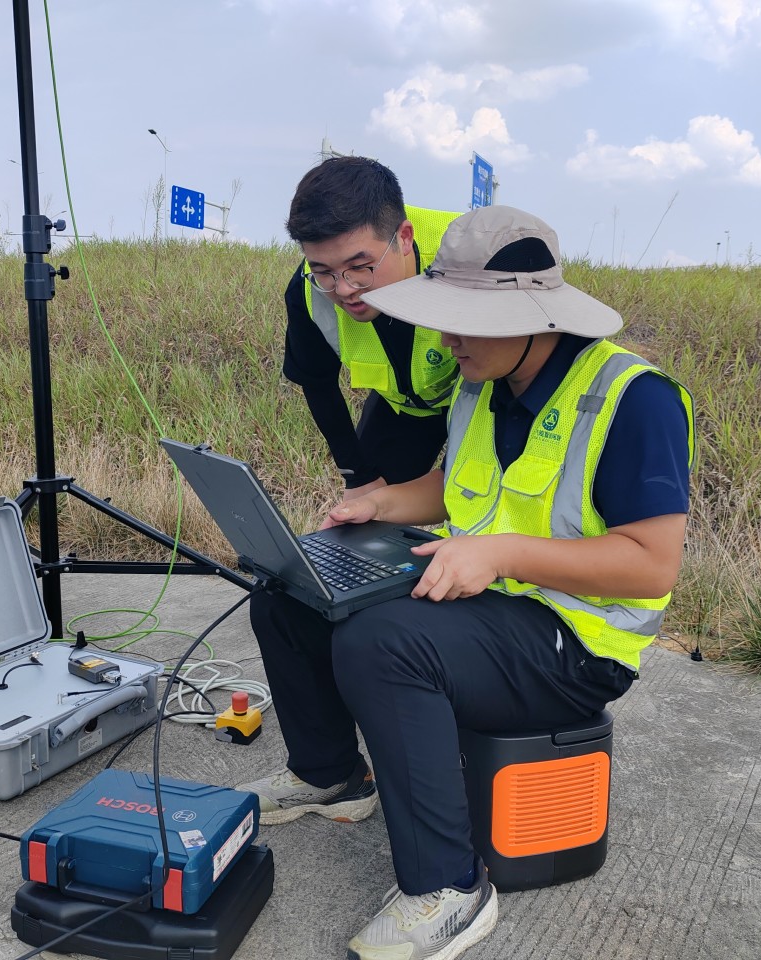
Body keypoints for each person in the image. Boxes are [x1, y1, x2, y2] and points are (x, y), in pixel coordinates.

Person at [240, 205, 694, 960]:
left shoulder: (632, 398)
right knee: (291, 590)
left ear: (532, 314)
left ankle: (449, 891)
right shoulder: (486, 378)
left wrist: (502, 553)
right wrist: (380, 503)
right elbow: (454, 487)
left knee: (381, 645)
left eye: (464, 322)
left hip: (574, 642)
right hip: (487, 597)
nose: (446, 339)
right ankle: (334, 779)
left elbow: (652, 563)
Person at [283, 156, 462, 499]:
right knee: (366, 514)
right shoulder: (308, 291)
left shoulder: (471, 256)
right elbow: (317, 383)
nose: (344, 288)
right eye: (324, 271)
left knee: (479, 510)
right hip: (404, 410)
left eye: (360, 267)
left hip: (484, 400)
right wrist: (357, 476)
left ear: (405, 237)